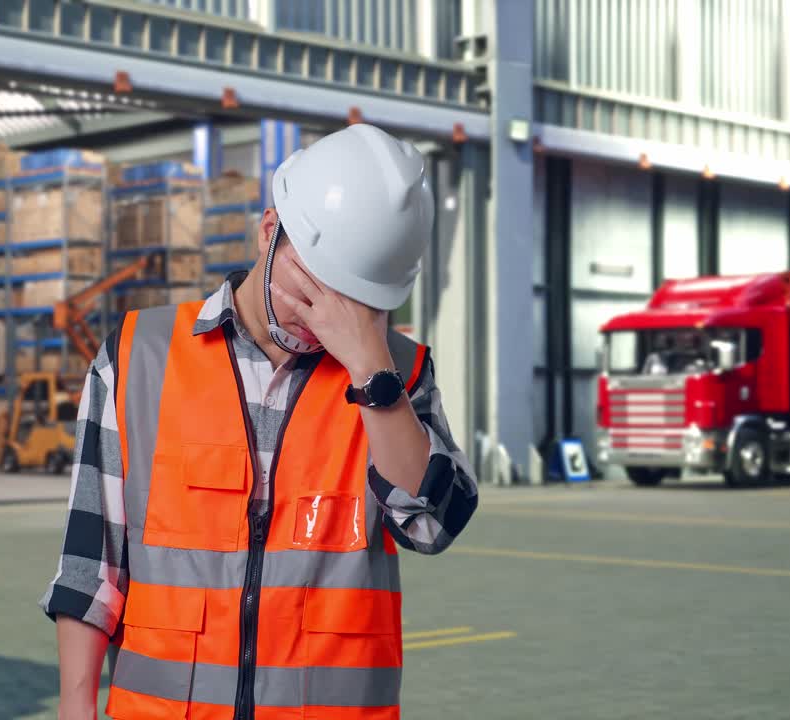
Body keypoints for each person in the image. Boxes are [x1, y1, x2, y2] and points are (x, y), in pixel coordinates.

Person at [39, 123, 479, 720]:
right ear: (269, 230)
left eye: (355, 300)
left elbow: (433, 526)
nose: (323, 316)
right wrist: (75, 707)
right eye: (313, 287)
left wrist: (372, 373)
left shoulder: (395, 374)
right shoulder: (138, 356)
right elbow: (92, 564)